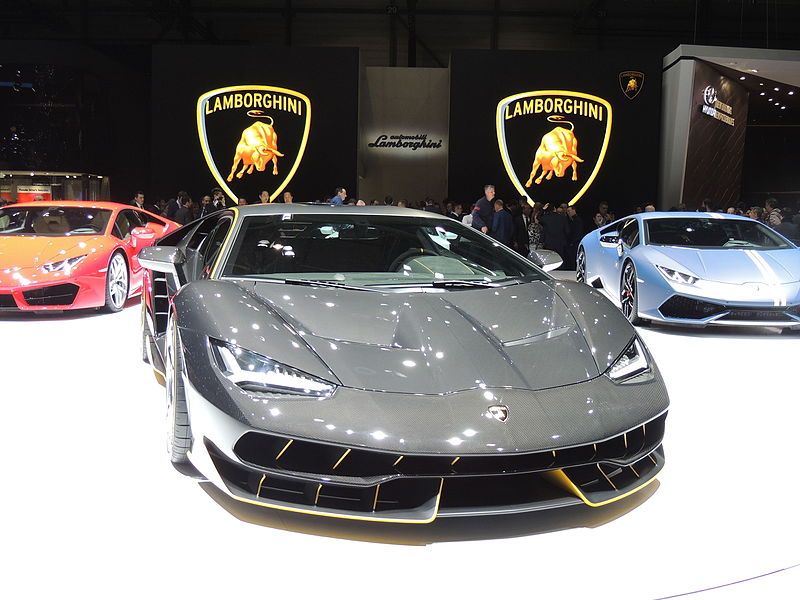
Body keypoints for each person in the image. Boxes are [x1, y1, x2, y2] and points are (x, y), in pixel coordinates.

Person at [565, 205, 584, 270]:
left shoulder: (577, 220)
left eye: (569, 211)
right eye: (567, 211)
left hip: (575, 243)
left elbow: (578, 233)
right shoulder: (572, 220)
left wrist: (572, 242)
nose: (568, 212)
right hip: (573, 242)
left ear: (574, 210)